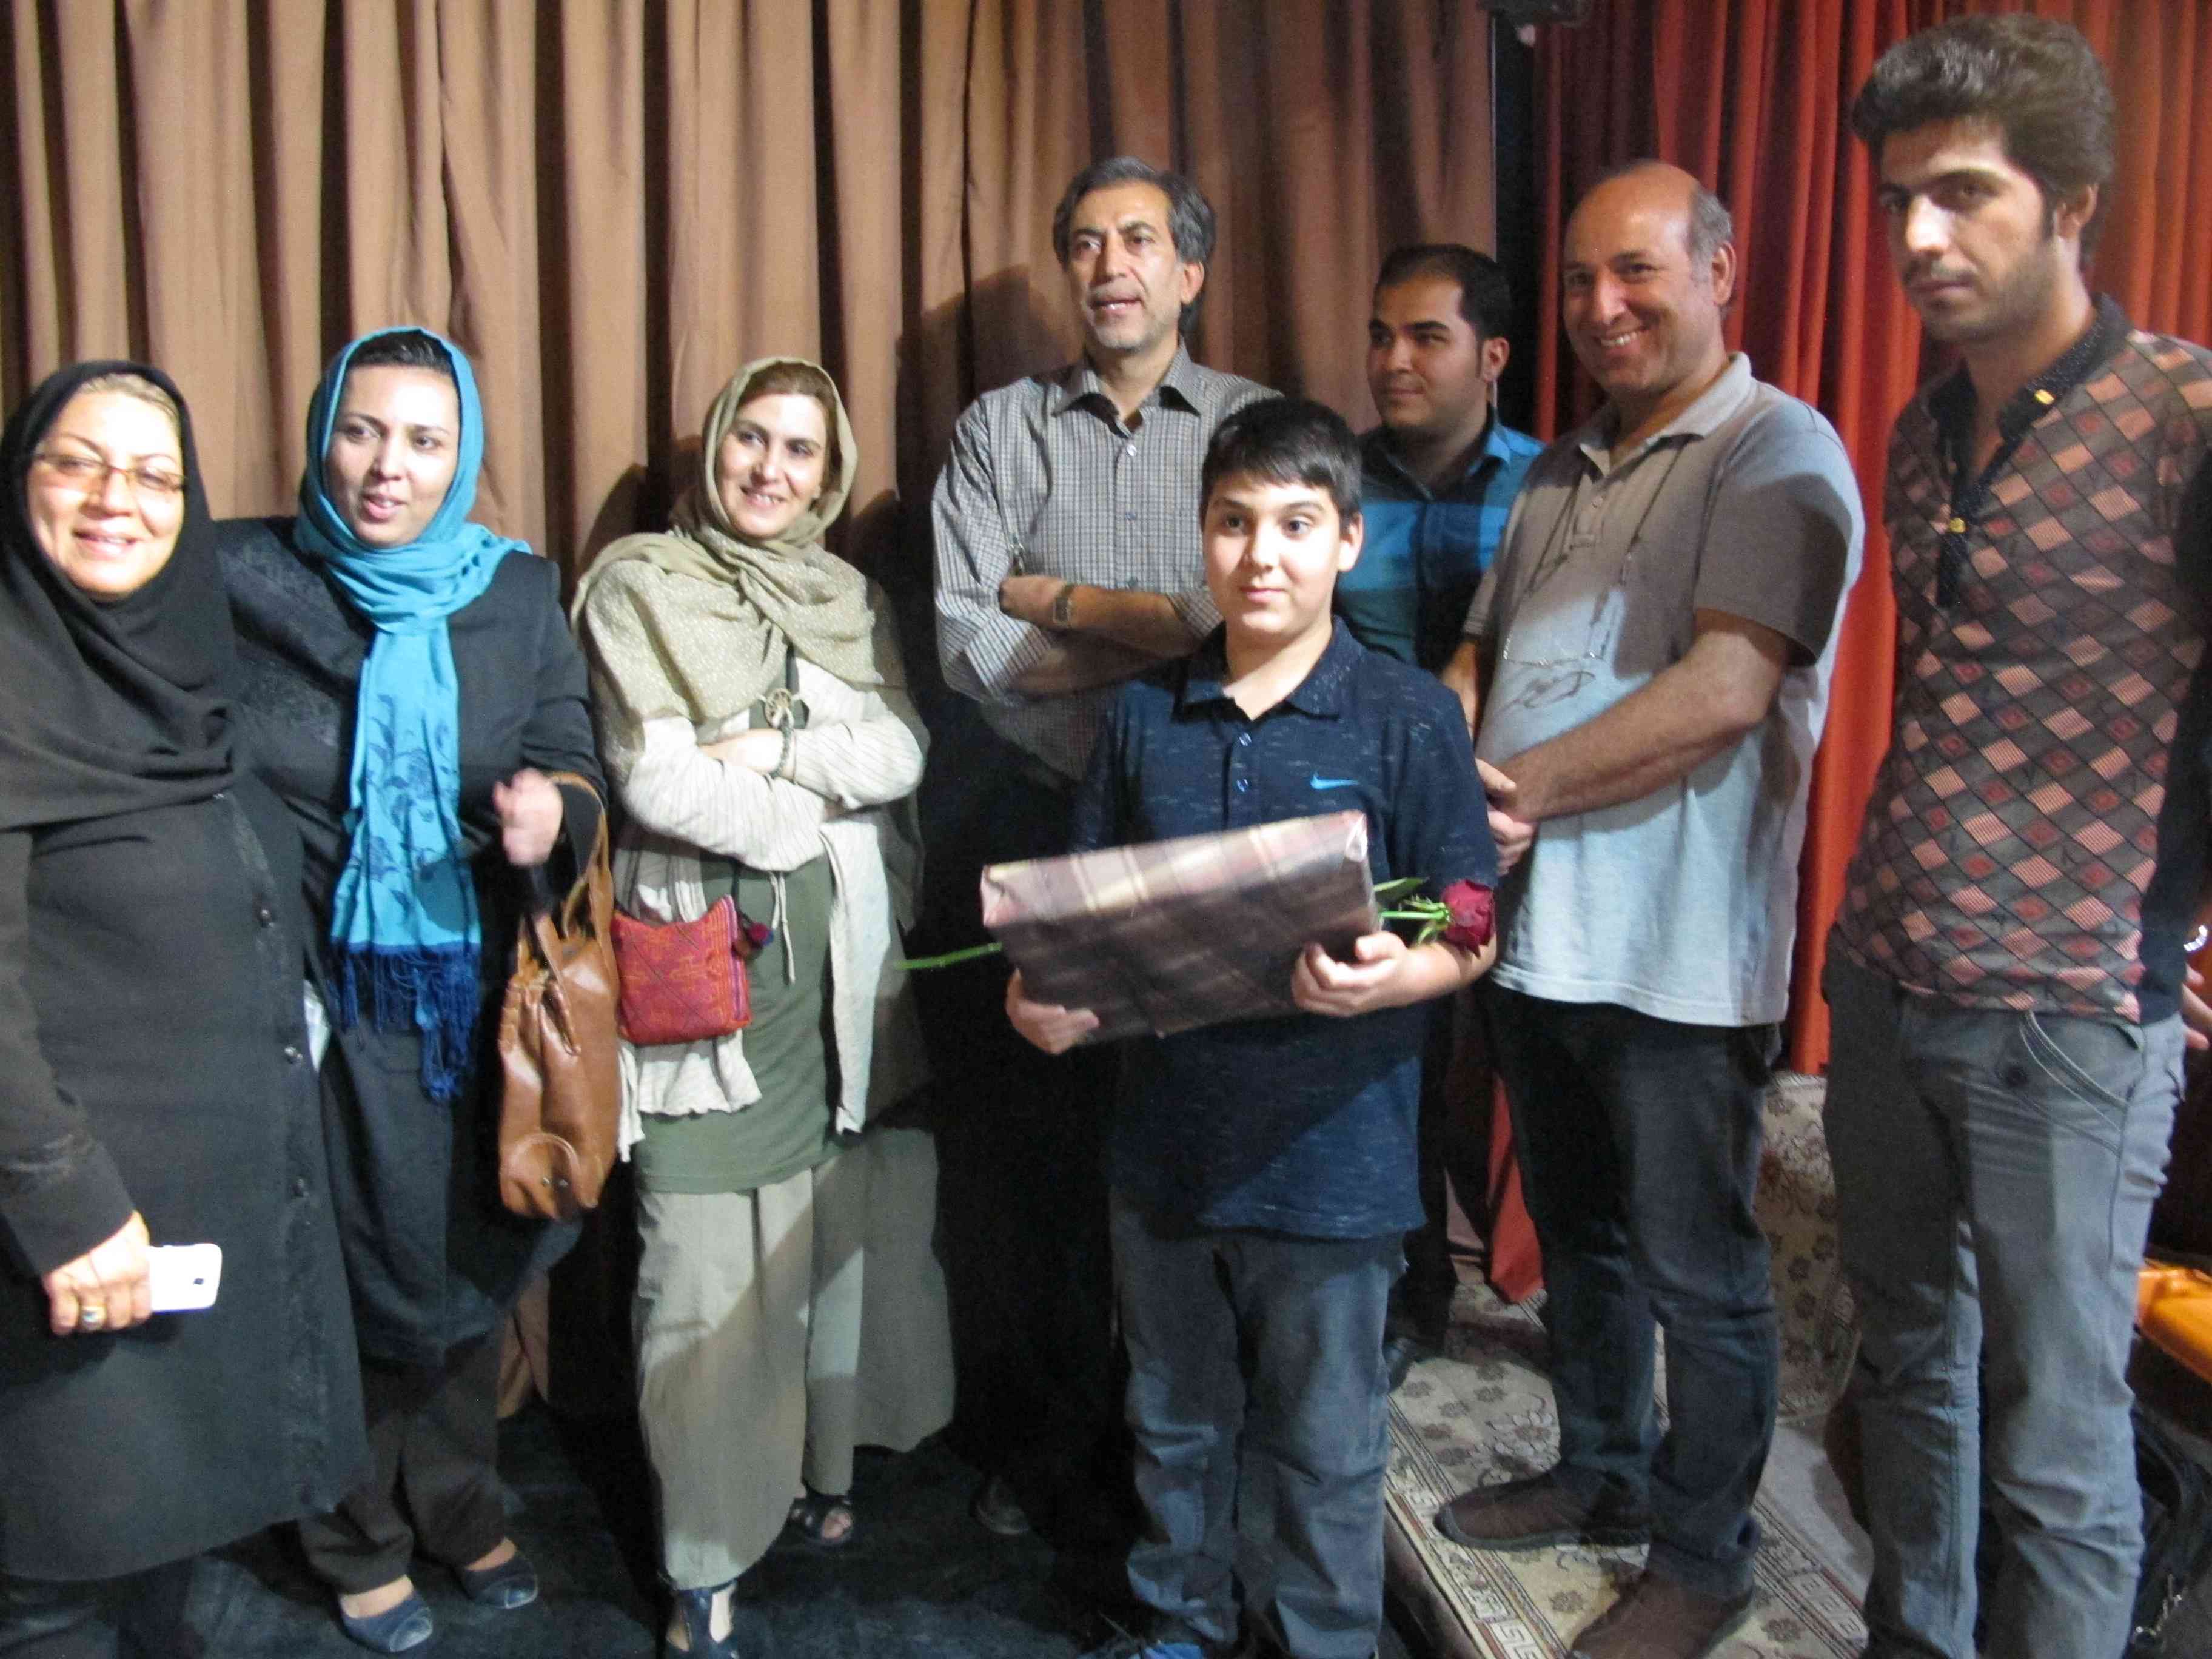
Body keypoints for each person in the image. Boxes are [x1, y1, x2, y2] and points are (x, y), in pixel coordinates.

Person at [1433, 162, 1863, 1659]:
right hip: (1535, 934)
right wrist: (1444, 746)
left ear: (1720, 270)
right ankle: (1603, 1470)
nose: (1601, 305)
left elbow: (1726, 692)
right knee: (1581, 1237)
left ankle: (1705, 1555)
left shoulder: (1776, 448)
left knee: (1701, 1272)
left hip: (1677, 953)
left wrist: (1512, 794)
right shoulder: (1556, 470)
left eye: (1636, 272)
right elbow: (1484, 653)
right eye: (1578, 279)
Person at [1826, 19, 2212, 1658]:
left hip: (2065, 1014)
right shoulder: (1922, 432)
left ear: (2074, 202)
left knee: (2058, 1445)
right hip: (1885, 977)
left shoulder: (2188, 416)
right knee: (1910, 1371)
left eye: (1965, 193)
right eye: (1898, 199)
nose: (1921, 236)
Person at [1011, 397, 1499, 1659]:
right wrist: (1042, 998)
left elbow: (1471, 914)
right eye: (1234, 524)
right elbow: (1085, 916)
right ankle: (1182, 1624)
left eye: (1295, 524)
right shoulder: (1142, 717)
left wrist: (1400, 975)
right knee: (1176, 1425)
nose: (1262, 555)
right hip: (1167, 1156)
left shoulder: (1406, 716)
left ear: (1348, 541)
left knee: (1325, 1447)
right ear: (1202, 536)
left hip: (1338, 1164)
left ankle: (1321, 1640)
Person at [218, 327, 604, 1654]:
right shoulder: (235, 578)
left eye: (426, 441)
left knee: (462, 1261)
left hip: (470, 1003)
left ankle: (454, 1501)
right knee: (334, 1273)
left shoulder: (516, 592)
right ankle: (351, 1534)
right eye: (363, 430)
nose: (390, 467)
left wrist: (556, 812)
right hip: (308, 1003)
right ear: (321, 434)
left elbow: (572, 749)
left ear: (464, 456)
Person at [574, 358, 942, 1659]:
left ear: (829, 476)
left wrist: (776, 752)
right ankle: (706, 1555)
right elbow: (657, 782)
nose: (771, 471)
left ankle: (813, 1473)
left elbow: (900, 750)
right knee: (703, 1278)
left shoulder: (844, 594)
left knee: (823, 1243)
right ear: (716, 443)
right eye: (754, 440)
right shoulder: (640, 585)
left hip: (843, 986)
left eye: (801, 451)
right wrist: (809, 818)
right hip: (708, 986)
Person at [926, 155, 1272, 1538]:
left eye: (1138, 240)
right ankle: (1055, 1455)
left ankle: (1199, 1461)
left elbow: (1243, 623)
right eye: (1083, 242)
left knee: (1201, 1145)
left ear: (1190, 271)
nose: (1109, 264)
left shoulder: (1253, 427)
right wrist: (1163, 631)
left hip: (1209, 830)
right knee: (1043, 1163)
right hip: (1035, 816)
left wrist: (1061, 598)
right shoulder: (999, 428)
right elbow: (968, 645)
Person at [0, 361, 367, 1657]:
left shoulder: (182, 665)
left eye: (156, 476)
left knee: (160, 1559)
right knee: (54, 1580)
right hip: (70, 1242)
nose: (120, 498)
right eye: (79, 463)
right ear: (21, 481)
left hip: (194, 1227)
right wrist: (66, 1206)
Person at [1350, 243, 1543, 1385]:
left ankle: (1583, 1316)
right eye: (1381, 335)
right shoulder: (1335, 480)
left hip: (1525, 827)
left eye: (1427, 337)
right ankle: (1412, 1294)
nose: (1394, 361)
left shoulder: (1553, 484)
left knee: (1544, 1063)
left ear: (1493, 355)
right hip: (1384, 834)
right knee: (1398, 1060)